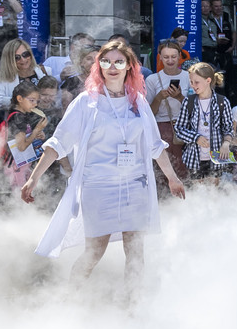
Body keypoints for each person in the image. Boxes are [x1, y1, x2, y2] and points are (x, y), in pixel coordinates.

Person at [21, 39, 187, 289]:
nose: (112, 67)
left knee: (135, 250)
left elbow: (155, 145)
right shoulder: (86, 101)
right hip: (98, 186)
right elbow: (59, 142)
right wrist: (34, 178)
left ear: (129, 66)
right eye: (106, 62)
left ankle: (132, 302)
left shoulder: (138, 101)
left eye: (119, 62)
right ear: (99, 66)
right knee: (95, 250)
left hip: (134, 185)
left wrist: (173, 178)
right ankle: (70, 297)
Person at [173, 62, 232, 181]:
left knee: (214, 189)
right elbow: (179, 129)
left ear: (208, 80)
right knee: (198, 190)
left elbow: (228, 128)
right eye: (191, 82)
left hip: (216, 157)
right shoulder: (188, 102)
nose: (193, 85)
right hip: (194, 158)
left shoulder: (222, 102)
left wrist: (226, 144)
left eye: (196, 82)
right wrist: (196, 138)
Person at [144, 40, 190, 181]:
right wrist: (159, 98)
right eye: (166, 57)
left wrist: (180, 97)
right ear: (160, 58)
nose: (170, 60)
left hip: (185, 128)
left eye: (173, 56)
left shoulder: (189, 77)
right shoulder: (152, 79)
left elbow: (196, 109)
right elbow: (148, 114)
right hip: (161, 129)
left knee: (185, 169)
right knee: (162, 172)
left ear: (179, 56)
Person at [2, 79, 48, 189]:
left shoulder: (23, 114)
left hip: (22, 165)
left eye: (37, 101)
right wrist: (36, 130)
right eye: (32, 100)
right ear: (19, 99)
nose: (35, 104)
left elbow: (26, 137)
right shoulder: (17, 117)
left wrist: (38, 134)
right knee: (20, 195)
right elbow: (21, 146)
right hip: (16, 166)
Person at [0, 38, 48, 109]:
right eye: (17, 57)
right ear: (10, 60)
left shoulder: (42, 71)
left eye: (25, 54)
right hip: (18, 115)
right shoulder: (4, 76)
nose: (23, 59)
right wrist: (17, 101)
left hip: (42, 113)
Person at [201, 0, 231, 69]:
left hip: (214, 51)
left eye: (207, 6)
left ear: (210, 8)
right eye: (203, 6)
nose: (205, 8)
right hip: (204, 51)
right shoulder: (196, 21)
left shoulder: (212, 21)